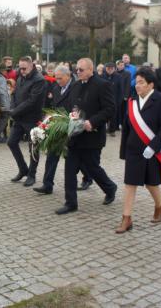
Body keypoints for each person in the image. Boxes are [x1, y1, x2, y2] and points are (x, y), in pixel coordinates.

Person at [117, 66, 161, 233]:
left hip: (151, 150)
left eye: (141, 82)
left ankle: (159, 206)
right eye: (136, 82)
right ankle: (126, 218)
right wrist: (124, 152)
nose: (137, 85)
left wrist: (153, 147)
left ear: (151, 85)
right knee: (130, 184)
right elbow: (127, 129)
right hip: (133, 150)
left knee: (151, 184)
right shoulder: (132, 101)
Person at [56, 58, 117, 215]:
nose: (78, 72)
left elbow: (110, 109)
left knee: (93, 168)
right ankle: (71, 203)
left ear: (91, 69)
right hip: (75, 136)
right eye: (77, 69)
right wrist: (69, 116)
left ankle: (110, 188)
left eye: (81, 70)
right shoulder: (76, 85)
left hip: (92, 136)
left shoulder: (103, 85)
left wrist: (93, 122)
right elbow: (71, 106)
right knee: (69, 169)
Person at [33, 65, 92, 194]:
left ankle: (88, 177)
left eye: (60, 78)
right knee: (52, 155)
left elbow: (80, 107)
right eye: (56, 78)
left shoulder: (77, 87)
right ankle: (47, 185)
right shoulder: (55, 88)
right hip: (58, 126)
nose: (57, 81)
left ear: (68, 76)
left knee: (73, 157)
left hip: (71, 126)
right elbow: (53, 106)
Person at [8, 56, 47, 187]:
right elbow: (14, 94)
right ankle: (23, 169)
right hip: (19, 118)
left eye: (24, 68)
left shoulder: (39, 80)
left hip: (32, 119)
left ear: (32, 66)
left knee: (33, 147)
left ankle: (32, 174)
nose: (22, 71)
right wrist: (13, 108)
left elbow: (32, 101)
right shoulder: (21, 77)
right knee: (11, 142)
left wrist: (14, 111)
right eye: (20, 68)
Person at [0, 62, 12, 143]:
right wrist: (5, 105)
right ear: (2, 70)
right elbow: (2, 92)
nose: (6, 72)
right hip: (4, 102)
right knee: (4, 119)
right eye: (5, 70)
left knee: (2, 118)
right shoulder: (2, 79)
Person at [102, 62, 122, 137]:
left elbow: (121, 89)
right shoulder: (102, 76)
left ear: (114, 69)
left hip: (114, 99)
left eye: (111, 68)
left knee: (113, 116)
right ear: (105, 69)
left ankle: (112, 130)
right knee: (104, 115)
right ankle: (104, 129)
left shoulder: (118, 76)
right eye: (108, 68)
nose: (110, 70)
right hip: (104, 99)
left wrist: (120, 100)